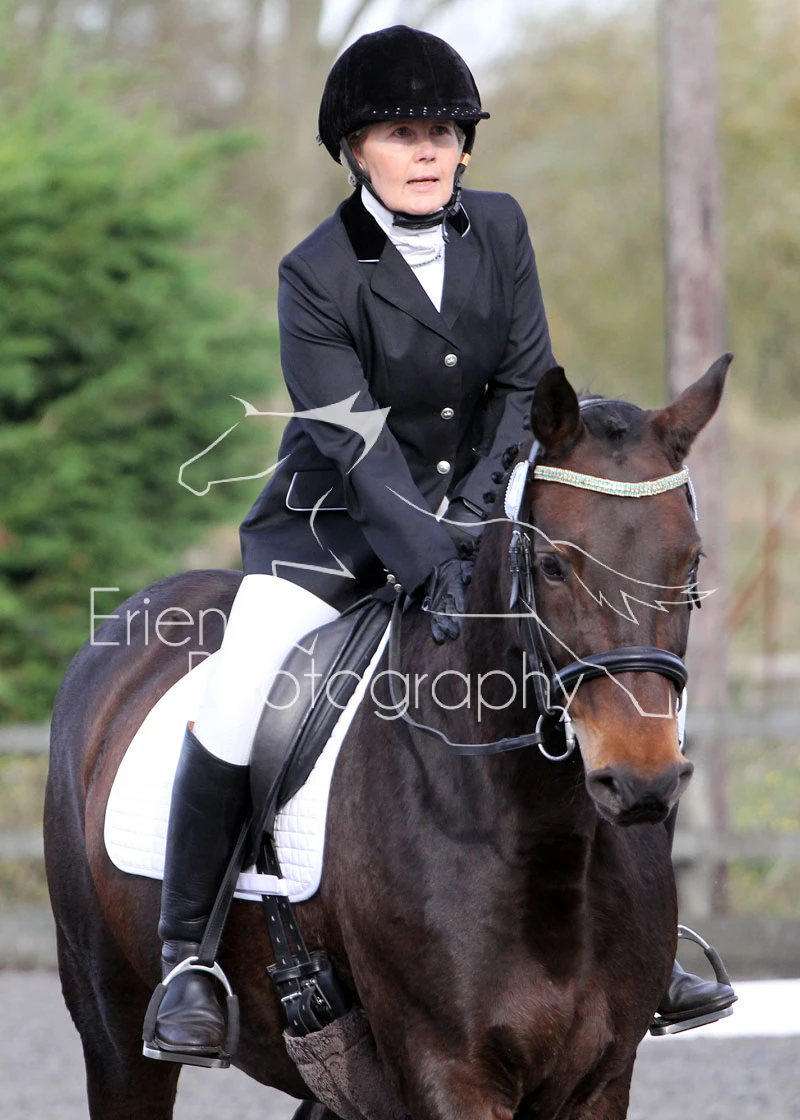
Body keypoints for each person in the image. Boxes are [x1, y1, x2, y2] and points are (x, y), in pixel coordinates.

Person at [146, 24, 735, 1067]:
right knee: (242, 690)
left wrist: (474, 522)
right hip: (329, 526)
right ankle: (186, 956)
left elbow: (521, 386)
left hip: (484, 508)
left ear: (465, 145)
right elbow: (352, 439)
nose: (426, 151)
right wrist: (431, 557)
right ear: (354, 150)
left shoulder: (499, 226)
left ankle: (648, 939)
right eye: (400, 134)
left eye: (443, 133)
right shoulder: (314, 272)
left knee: (613, 664)